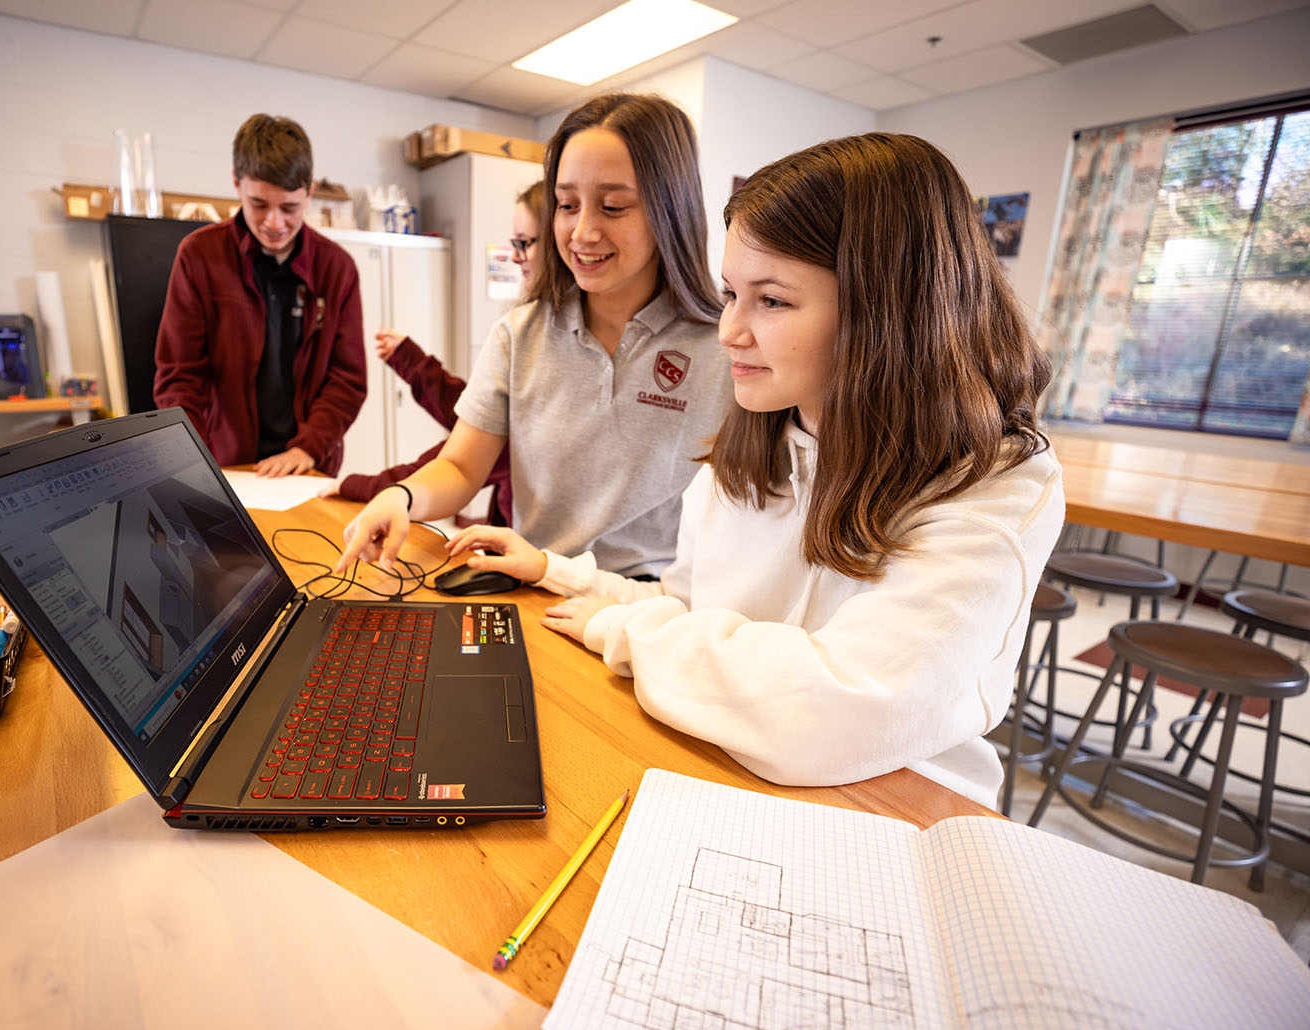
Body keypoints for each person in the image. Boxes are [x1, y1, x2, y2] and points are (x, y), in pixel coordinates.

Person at [444, 133, 1065, 808]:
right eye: (730, 293)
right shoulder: (754, 442)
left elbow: (832, 709)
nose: (729, 330)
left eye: (770, 300)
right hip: (735, 767)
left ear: (884, 310)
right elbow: (688, 605)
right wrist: (556, 572)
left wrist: (620, 630)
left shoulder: (995, 482)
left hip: (896, 806)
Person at [335, 94, 732, 577]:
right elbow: (461, 467)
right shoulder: (519, 335)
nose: (582, 232)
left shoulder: (725, 347)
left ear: (671, 210)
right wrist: (400, 496)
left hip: (653, 610)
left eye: (612, 206)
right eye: (567, 205)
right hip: (535, 585)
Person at [153, 114, 365, 476]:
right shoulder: (199, 255)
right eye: (260, 205)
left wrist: (310, 446)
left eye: (289, 208)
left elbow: (347, 378)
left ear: (309, 192)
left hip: (308, 465)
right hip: (227, 462)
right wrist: (192, 458)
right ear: (237, 185)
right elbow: (180, 375)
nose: (274, 223)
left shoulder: (337, 268)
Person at [332, 182, 546, 527]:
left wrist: (366, 486)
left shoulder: (538, 344)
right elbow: (474, 415)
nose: (517, 256)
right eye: (514, 243)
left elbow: (469, 449)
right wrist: (411, 360)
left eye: (525, 243)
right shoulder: (522, 330)